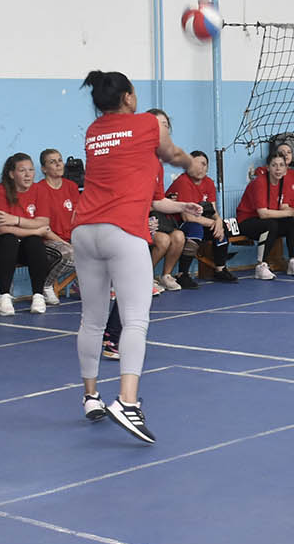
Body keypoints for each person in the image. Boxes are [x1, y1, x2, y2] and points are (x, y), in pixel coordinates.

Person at [72, 71, 202, 443]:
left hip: (84, 230)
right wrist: (190, 164)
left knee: (92, 319)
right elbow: (172, 154)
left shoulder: (94, 132)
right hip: (123, 231)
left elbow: (136, 175)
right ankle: (127, 402)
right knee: (135, 320)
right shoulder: (145, 124)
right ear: (128, 97)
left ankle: (91, 397)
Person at [0, 154, 61, 314]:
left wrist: (16, 220)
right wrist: (35, 229)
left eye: (31, 170)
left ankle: (38, 296)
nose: (28, 175)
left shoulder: (39, 190)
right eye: (22, 171)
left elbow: (43, 222)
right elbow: (2, 230)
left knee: (35, 241)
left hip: (22, 246)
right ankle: (4, 296)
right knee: (10, 239)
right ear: (11, 174)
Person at [237, 149, 294, 279]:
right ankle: (261, 266)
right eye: (274, 165)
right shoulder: (260, 182)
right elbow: (263, 214)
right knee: (271, 224)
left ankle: (293, 261)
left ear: (285, 168)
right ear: (268, 168)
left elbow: (284, 207)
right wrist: (291, 212)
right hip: (247, 221)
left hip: (269, 219)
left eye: (281, 165)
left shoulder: (283, 182)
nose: (278, 169)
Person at [167, 150, 236, 285]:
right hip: (176, 224)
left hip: (198, 220)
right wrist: (214, 223)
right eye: (196, 164)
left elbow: (213, 210)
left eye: (204, 164)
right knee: (195, 229)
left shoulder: (208, 182)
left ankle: (220, 269)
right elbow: (187, 217)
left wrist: (219, 221)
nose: (200, 168)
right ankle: (182, 274)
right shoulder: (183, 182)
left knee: (223, 227)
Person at [32, 147, 81, 302]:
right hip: (48, 239)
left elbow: (77, 216)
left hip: (71, 236)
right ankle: (46, 285)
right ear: (44, 169)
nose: (59, 164)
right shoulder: (38, 189)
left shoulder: (71, 186)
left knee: (100, 248)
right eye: (53, 162)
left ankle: (81, 283)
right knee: (70, 253)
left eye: (60, 160)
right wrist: (65, 243)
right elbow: (43, 228)